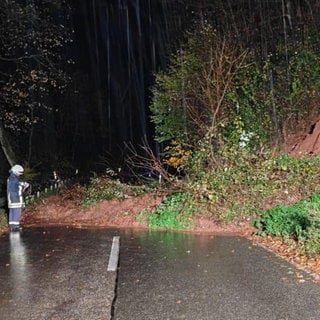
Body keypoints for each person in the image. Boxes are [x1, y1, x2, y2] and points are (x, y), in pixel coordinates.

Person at [7, 164, 29, 231]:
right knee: (17, 211)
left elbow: (18, 183)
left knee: (12, 212)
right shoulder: (13, 178)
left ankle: (12, 226)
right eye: (19, 173)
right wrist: (24, 185)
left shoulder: (11, 177)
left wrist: (22, 184)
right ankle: (15, 226)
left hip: (11, 198)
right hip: (15, 198)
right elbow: (18, 184)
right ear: (16, 171)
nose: (20, 174)